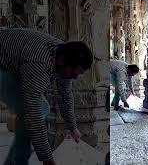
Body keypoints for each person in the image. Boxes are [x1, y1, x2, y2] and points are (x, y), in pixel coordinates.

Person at [0, 28, 93, 165]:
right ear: (62, 61)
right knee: (36, 111)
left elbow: (65, 94)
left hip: (12, 61)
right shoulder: (40, 63)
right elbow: (33, 111)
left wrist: (72, 127)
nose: (75, 76)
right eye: (74, 72)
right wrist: (47, 158)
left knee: (40, 109)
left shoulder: (63, 53)